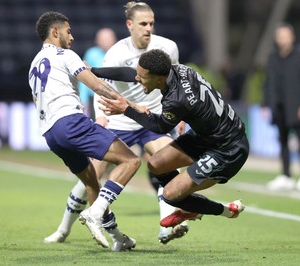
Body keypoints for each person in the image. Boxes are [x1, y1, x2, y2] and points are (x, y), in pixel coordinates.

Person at [43, 2, 188, 246]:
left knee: (166, 163)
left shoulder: (168, 48)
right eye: (143, 24)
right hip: (122, 119)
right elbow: (100, 89)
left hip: (152, 120)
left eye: (151, 23)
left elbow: (176, 84)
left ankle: (167, 225)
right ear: (129, 25)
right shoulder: (117, 53)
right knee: (91, 176)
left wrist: (181, 114)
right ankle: (63, 229)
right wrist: (101, 117)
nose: (148, 28)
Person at [97, 49, 248, 230]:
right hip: (206, 135)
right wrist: (93, 71)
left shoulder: (176, 100)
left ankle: (226, 210)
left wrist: (126, 109)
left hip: (228, 148)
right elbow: (135, 75)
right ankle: (186, 202)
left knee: (170, 195)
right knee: (155, 165)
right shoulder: (178, 69)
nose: (138, 79)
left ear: (159, 79)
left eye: (142, 77)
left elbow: (159, 127)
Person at [28, 11, 141, 251]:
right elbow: (97, 86)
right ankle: (94, 214)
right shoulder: (66, 55)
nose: (72, 36)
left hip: (50, 134)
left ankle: (117, 237)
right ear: (55, 32)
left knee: (91, 182)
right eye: (68, 31)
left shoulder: (34, 64)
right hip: (71, 122)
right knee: (130, 161)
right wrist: (131, 107)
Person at [262, 23, 300, 192]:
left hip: (297, 106)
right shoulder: (273, 57)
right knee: (282, 141)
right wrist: (265, 103)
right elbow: (268, 81)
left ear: (292, 37)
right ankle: (286, 175)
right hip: (279, 106)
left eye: (285, 36)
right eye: (280, 36)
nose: (282, 40)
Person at [78, 27, 117, 119]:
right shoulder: (91, 54)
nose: (105, 42)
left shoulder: (119, 54)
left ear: (115, 40)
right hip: (95, 98)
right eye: (102, 39)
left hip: (115, 96)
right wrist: (83, 100)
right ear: (97, 41)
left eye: (108, 39)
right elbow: (83, 78)